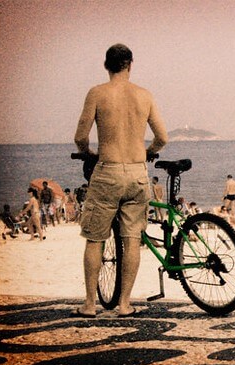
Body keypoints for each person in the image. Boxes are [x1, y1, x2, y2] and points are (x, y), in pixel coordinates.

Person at [73, 43, 168, 318]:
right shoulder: (144, 95)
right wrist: (148, 153)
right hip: (137, 173)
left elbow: (81, 136)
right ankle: (125, 304)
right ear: (130, 64)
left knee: (94, 239)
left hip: (108, 170)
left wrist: (88, 154)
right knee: (131, 239)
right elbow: (162, 137)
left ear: (106, 65)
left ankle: (90, 304)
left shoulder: (97, 93)